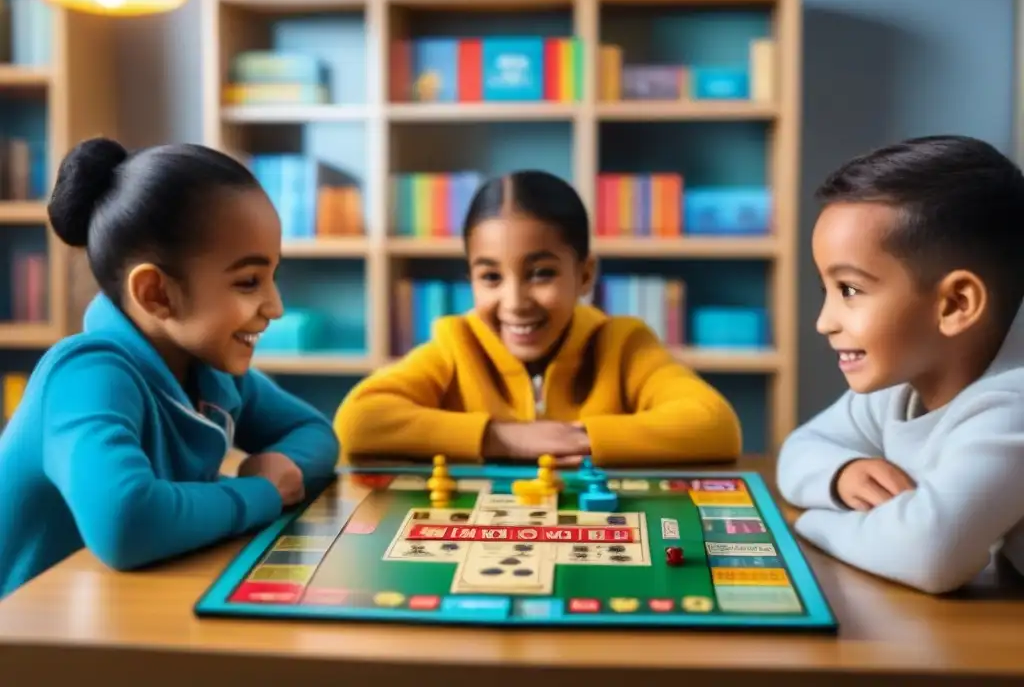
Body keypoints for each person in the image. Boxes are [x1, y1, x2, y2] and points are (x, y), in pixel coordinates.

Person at [0, 137, 339, 599]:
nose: (275, 307)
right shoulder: (84, 375)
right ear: (156, 294)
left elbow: (315, 433)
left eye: (272, 277)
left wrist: (278, 471)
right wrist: (259, 494)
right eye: (248, 282)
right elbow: (125, 522)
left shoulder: (209, 369)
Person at [334, 169, 741, 467]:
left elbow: (714, 425)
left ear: (584, 274)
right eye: (490, 277)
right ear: (470, 279)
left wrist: (573, 439)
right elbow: (358, 422)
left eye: (541, 273)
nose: (514, 302)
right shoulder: (455, 343)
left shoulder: (623, 343)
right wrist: (502, 438)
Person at [776, 134, 1024, 594]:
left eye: (849, 290)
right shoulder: (903, 387)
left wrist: (810, 526)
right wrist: (841, 474)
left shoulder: (1014, 406)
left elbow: (930, 554)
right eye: (825, 290)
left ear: (955, 304)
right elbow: (800, 448)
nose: (824, 322)